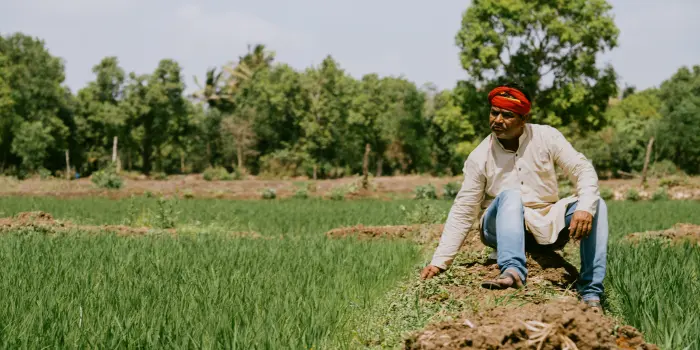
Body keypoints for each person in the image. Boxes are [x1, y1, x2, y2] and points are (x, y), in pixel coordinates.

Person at [420, 83, 608, 312]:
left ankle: (590, 292)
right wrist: (440, 261)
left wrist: (585, 207)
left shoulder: (547, 137)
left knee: (596, 203)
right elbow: (464, 210)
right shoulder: (479, 157)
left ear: (523, 118)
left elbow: (582, 169)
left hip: (546, 221)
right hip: (498, 227)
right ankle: (511, 271)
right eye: (494, 112)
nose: (497, 120)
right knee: (510, 196)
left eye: (507, 115)